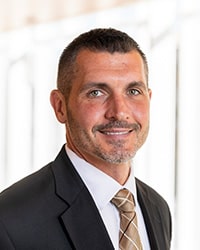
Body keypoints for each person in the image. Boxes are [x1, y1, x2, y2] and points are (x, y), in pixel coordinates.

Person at [0, 28, 172, 249]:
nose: (119, 112)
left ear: (149, 98)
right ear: (60, 107)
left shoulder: (157, 208)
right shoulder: (10, 221)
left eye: (133, 91)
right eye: (96, 93)